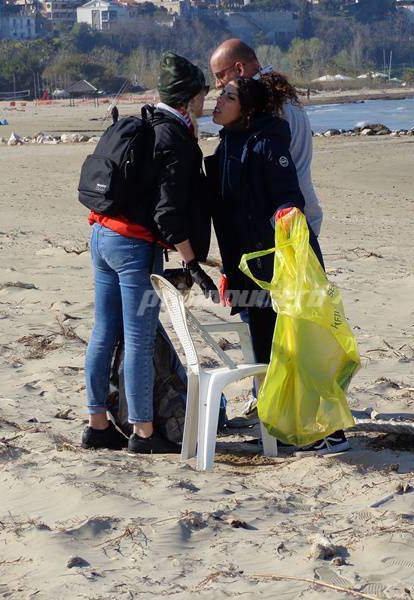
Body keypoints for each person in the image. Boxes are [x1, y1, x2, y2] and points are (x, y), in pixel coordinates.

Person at [81, 52, 218, 455]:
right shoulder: (175, 138)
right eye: (202, 95)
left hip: (101, 236)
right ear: (189, 99)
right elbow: (168, 214)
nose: (205, 103)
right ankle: (143, 433)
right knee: (139, 339)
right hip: (133, 248)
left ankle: (97, 425)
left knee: (104, 331)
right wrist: (192, 263)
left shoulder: (143, 124)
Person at [207, 75, 351, 456]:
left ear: (248, 108)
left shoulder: (269, 142)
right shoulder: (227, 145)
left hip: (284, 266)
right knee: (270, 352)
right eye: (220, 93)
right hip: (249, 268)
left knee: (301, 349)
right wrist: (228, 270)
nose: (218, 100)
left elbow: (288, 199)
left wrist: (286, 237)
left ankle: (330, 434)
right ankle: (283, 429)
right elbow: (229, 217)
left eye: (229, 95)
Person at [210, 38, 322, 236]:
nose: (217, 85)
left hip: (284, 214)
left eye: (220, 76)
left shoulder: (263, 106)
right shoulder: (280, 94)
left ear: (239, 69)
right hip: (299, 206)